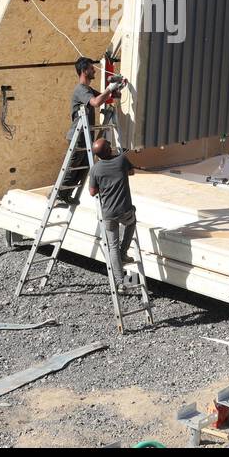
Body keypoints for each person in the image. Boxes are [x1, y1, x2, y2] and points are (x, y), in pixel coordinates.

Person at [57, 56, 121, 206]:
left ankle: (66, 195)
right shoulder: (81, 89)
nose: (94, 71)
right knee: (72, 169)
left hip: (85, 136)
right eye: (92, 68)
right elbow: (96, 102)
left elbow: (108, 98)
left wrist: (116, 89)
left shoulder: (89, 89)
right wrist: (109, 89)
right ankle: (59, 194)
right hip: (77, 136)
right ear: (84, 71)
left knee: (83, 168)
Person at [88, 137, 140, 289]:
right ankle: (124, 252)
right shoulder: (122, 160)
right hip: (125, 210)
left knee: (112, 246)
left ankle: (119, 282)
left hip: (109, 214)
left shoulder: (95, 169)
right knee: (132, 222)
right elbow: (132, 172)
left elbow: (92, 192)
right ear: (109, 150)